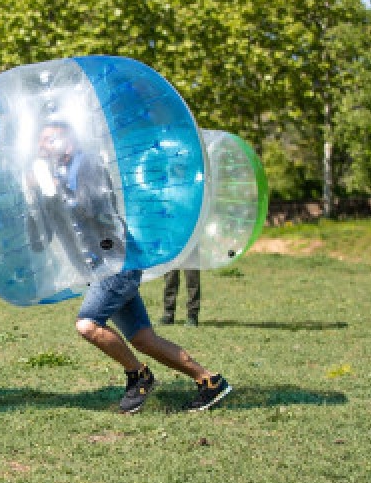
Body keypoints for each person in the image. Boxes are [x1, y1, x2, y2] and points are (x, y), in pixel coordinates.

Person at [35, 119, 231, 414]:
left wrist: (57, 190)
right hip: (100, 270)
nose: (41, 147)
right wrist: (36, 197)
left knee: (87, 325)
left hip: (118, 263)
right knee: (143, 338)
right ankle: (210, 381)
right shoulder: (51, 179)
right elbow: (41, 237)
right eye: (41, 141)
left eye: (49, 140)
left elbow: (95, 208)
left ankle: (139, 376)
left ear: (69, 143)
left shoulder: (87, 167)